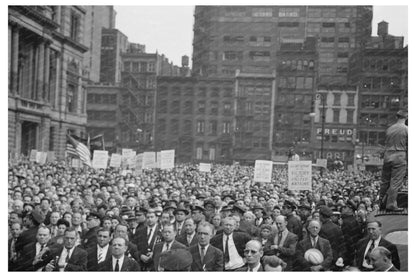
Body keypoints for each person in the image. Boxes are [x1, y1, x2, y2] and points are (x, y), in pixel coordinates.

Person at [380, 109, 408, 211]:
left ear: (397, 117)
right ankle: (391, 204)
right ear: (406, 118)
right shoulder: (406, 129)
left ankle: (381, 202)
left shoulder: (390, 129)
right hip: (399, 155)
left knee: (385, 182)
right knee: (395, 182)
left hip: (388, 155)